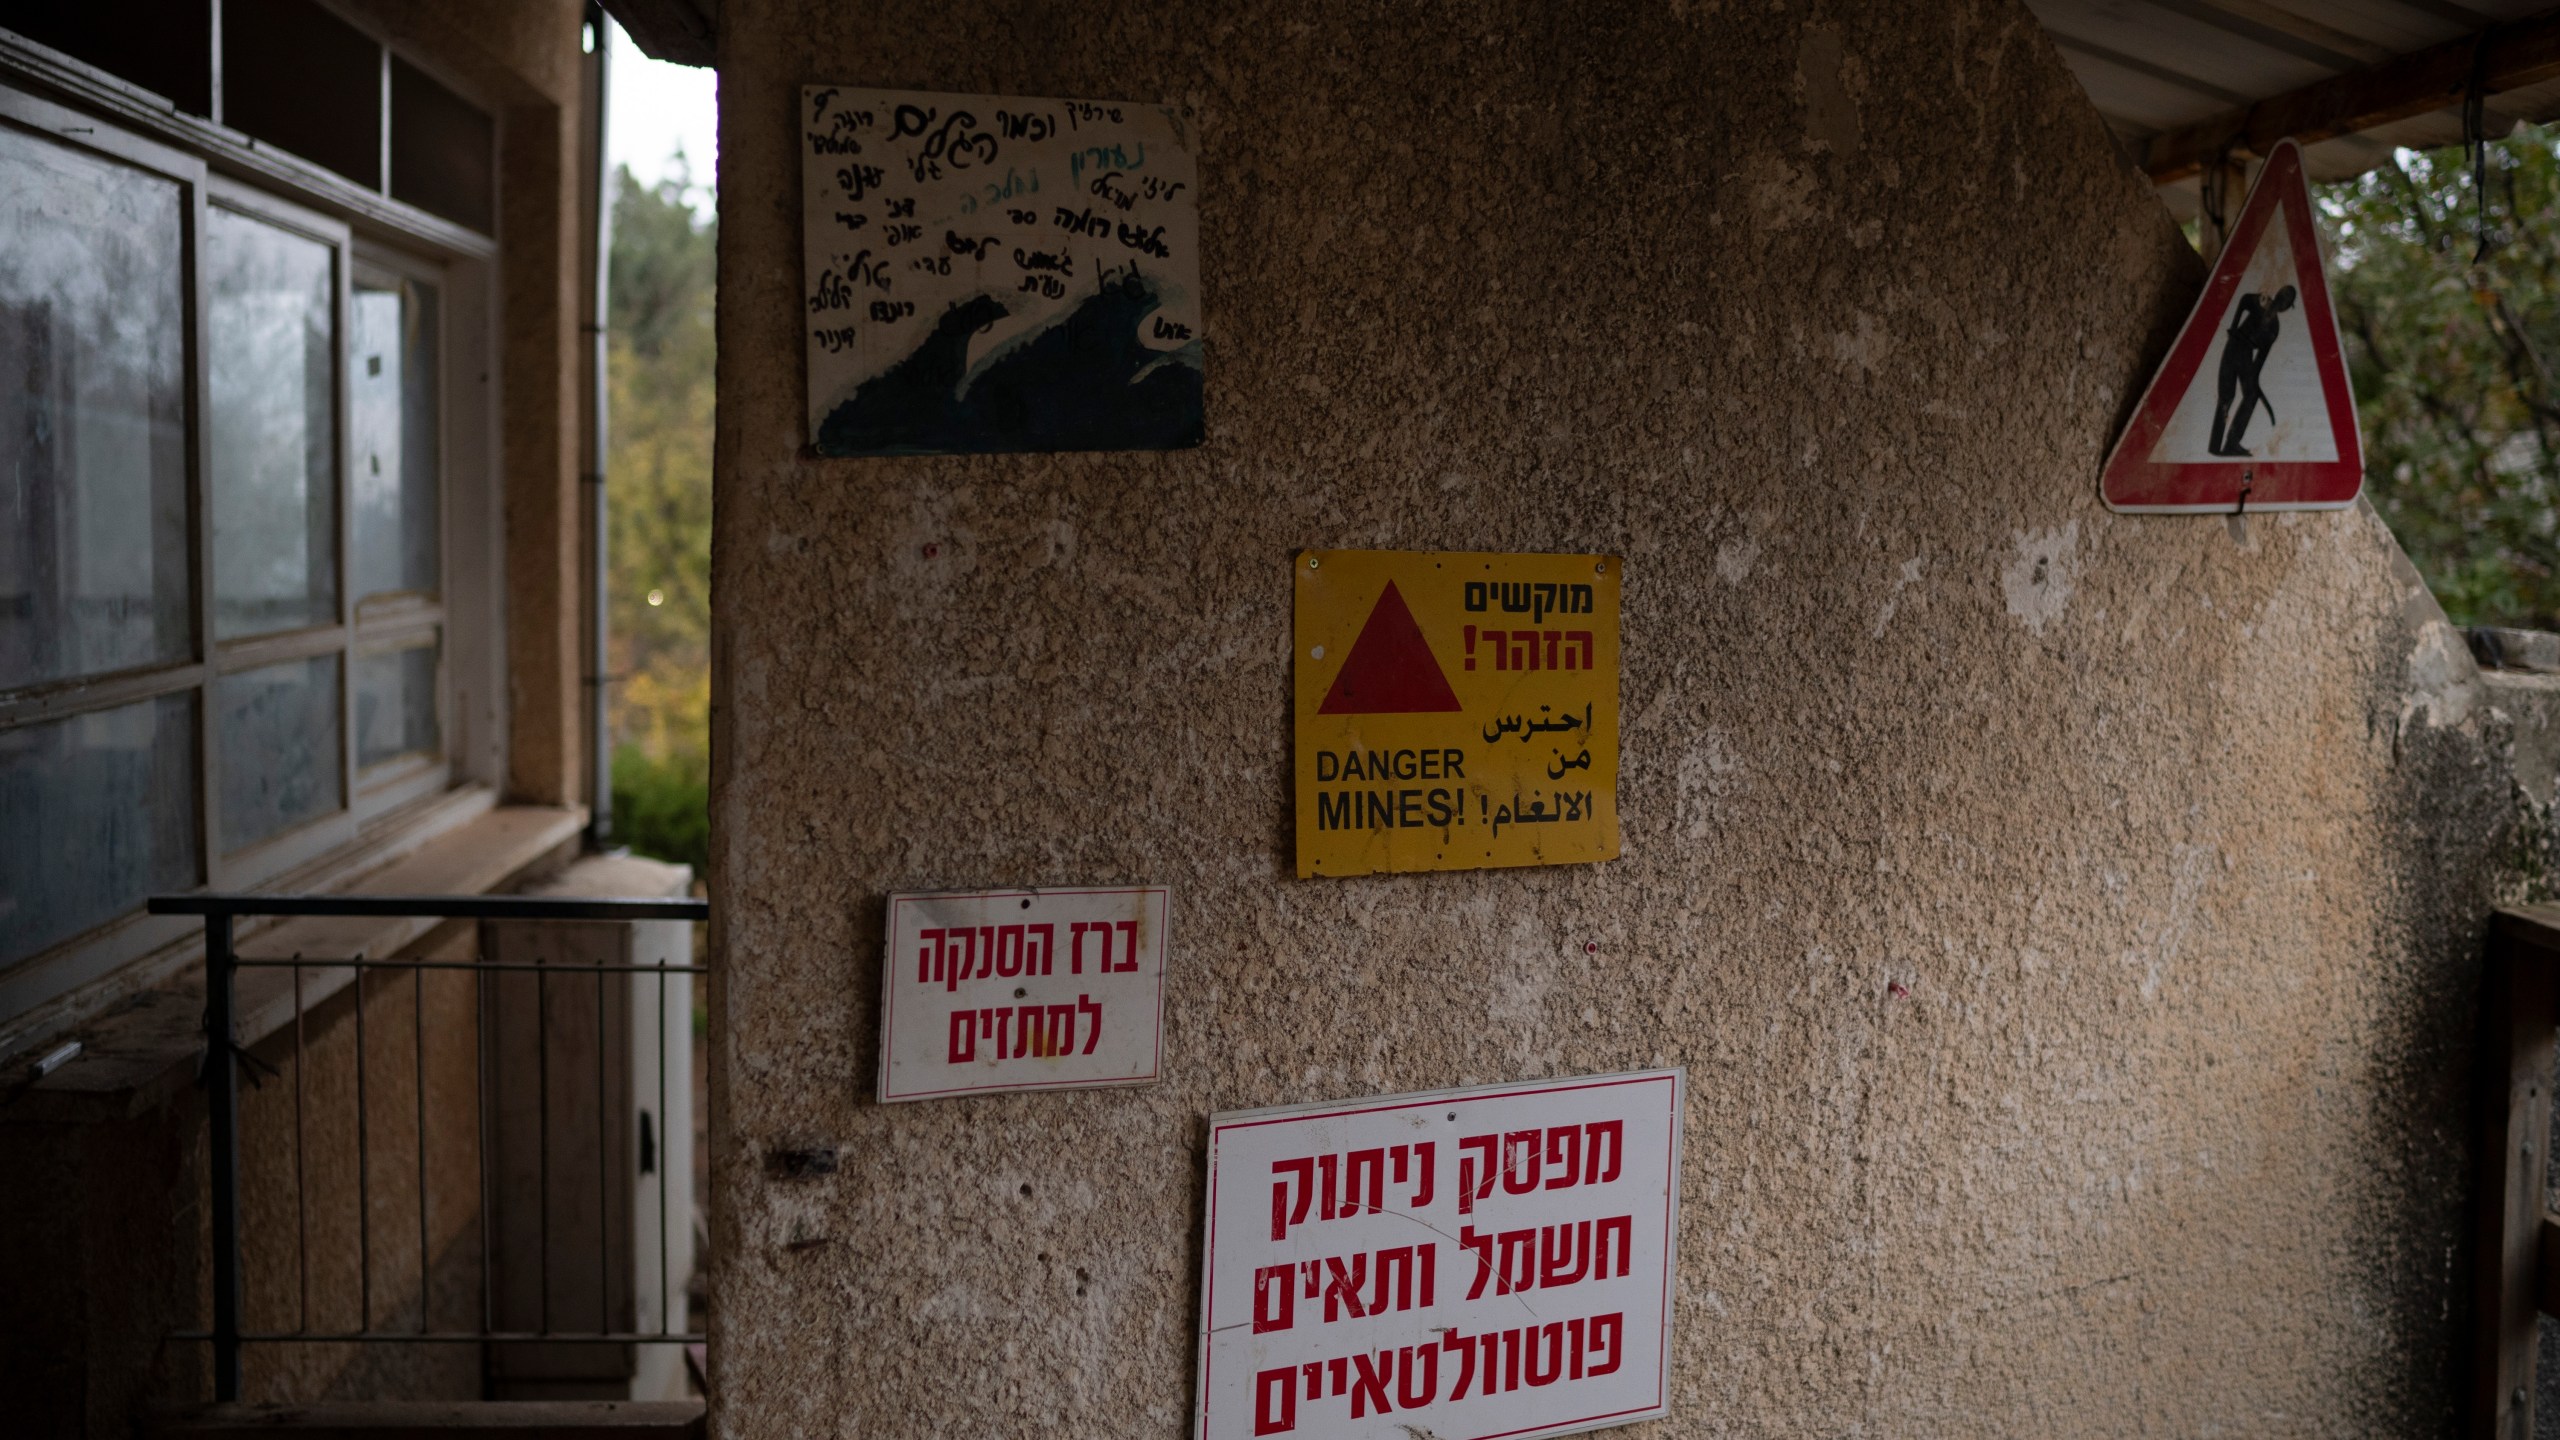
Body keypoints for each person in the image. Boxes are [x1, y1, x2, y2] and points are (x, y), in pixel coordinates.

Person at [2210, 283, 2295, 457]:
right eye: (2284, 297)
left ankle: (2232, 443)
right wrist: (2234, 326)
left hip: (2245, 354)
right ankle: (2216, 445)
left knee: (2250, 395)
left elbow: (2260, 360)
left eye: (2287, 301)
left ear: (2287, 307)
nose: (2284, 303)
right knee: (2227, 396)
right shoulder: (2261, 301)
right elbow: (2244, 301)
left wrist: (2254, 384)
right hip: (2235, 345)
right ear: (2278, 294)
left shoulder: (2274, 328)